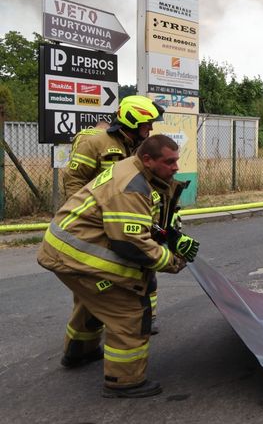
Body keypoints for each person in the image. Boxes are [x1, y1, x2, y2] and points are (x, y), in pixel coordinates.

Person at [37, 135, 198, 398]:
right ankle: (124, 380)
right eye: (169, 161)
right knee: (129, 310)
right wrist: (171, 261)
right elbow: (131, 244)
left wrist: (169, 237)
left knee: (92, 300)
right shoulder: (132, 186)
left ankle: (80, 352)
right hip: (77, 255)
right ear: (148, 159)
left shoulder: (134, 169)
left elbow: (139, 222)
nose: (176, 167)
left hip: (65, 249)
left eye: (176, 160)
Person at [63, 96, 166, 333]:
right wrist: (86, 218)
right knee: (95, 283)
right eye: (146, 124)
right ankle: (79, 346)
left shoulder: (137, 149)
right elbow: (74, 180)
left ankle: (143, 320)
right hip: (96, 225)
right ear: (131, 121)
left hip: (123, 221)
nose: (150, 128)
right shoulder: (96, 143)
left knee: (140, 272)